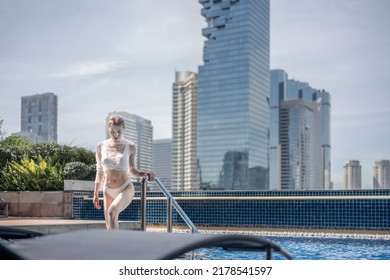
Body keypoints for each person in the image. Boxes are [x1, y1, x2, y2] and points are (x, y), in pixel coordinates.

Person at [93, 115, 155, 229]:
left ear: (123, 129)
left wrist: (144, 173)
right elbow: (100, 171)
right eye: (112, 131)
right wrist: (96, 193)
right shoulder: (100, 146)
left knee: (112, 212)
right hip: (107, 189)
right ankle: (115, 246)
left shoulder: (130, 146)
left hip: (125, 187)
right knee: (109, 225)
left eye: (119, 131)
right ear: (108, 129)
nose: (116, 135)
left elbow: (132, 170)